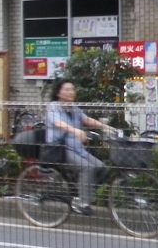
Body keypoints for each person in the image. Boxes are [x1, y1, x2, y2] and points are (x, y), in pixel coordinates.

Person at [45, 78, 117, 214]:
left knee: (101, 167)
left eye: (72, 89)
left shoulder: (73, 108)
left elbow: (86, 120)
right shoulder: (53, 107)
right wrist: (75, 130)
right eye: (66, 89)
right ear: (58, 93)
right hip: (60, 148)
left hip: (76, 147)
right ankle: (83, 203)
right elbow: (58, 123)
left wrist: (105, 127)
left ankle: (80, 194)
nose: (70, 92)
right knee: (87, 168)